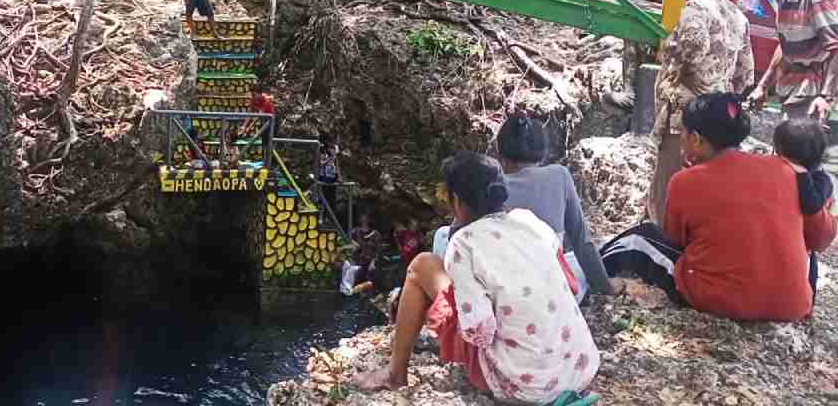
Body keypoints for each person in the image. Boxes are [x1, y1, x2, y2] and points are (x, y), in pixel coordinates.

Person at [355, 152, 599, 400]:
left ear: (456, 200)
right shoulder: (530, 221)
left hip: (523, 388)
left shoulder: (464, 243)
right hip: (581, 369)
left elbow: (478, 332)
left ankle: (395, 375)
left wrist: (444, 316)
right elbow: (571, 285)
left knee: (422, 264)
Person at [600, 93, 836, 321]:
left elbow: (677, 240)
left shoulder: (685, 181)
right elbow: (819, 237)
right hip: (791, 306)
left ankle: (584, 273)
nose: (681, 139)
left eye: (683, 132)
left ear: (696, 140)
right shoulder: (786, 170)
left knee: (640, 238)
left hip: (716, 299)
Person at [649, 0, 754, 226]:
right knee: (707, 187)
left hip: (686, 116)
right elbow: (745, 74)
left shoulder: (696, 8)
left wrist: (675, 73)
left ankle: (663, 243)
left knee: (670, 182)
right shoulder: (738, 15)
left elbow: (694, 48)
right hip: (718, 119)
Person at [494, 115, 623, 301]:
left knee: (443, 233)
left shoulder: (491, 183)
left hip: (502, 297)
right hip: (555, 297)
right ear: (543, 151)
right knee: (575, 260)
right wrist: (606, 286)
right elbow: (581, 241)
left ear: (501, 153)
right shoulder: (559, 175)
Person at [743, 0, 838, 143]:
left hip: (810, 92)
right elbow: (784, 44)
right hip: (791, 88)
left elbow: (836, 47)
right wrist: (763, 86)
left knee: (797, 157)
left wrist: (826, 97)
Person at [773, 118, 836, 301]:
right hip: (780, 237)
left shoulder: (821, 179)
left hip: (804, 246)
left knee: (807, 275)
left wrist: (801, 175)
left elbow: (812, 203)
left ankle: (807, 304)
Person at [315, 131, 340, 210]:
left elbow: (337, 163)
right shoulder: (321, 149)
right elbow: (321, 163)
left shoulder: (335, 148)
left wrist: (339, 176)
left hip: (332, 176)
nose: (331, 143)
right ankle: (322, 214)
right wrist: (330, 158)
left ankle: (330, 216)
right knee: (323, 197)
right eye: (329, 141)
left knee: (332, 198)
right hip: (324, 176)